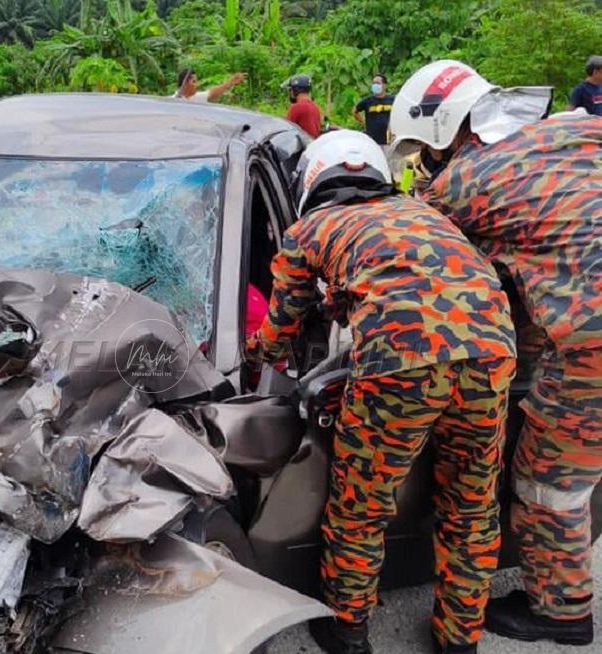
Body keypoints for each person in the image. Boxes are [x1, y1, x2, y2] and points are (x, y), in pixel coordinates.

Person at [246, 130, 517, 654]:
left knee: (362, 503)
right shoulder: (426, 213)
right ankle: (459, 639)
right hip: (491, 352)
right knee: (471, 504)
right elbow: (422, 279)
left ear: (313, 180)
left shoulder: (310, 229)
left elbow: (283, 326)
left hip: (400, 361)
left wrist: (255, 351)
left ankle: (348, 630)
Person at [390, 59, 602, 647]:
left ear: (447, 134)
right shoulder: (578, 128)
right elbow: (548, 246)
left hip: (592, 345)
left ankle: (562, 613)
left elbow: (421, 260)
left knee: (548, 480)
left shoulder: (459, 184)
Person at [352, 73, 395, 145]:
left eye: (378, 83)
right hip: (372, 140)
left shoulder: (392, 100)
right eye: (374, 83)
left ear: (384, 85)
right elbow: (354, 111)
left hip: (389, 140)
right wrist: (363, 121)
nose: (375, 85)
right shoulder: (367, 101)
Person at [173, 68, 246, 103]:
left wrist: (231, 82)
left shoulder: (195, 98)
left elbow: (212, 93)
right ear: (184, 83)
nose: (197, 85)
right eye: (194, 82)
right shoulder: (171, 102)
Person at [285, 74, 322, 139]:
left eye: (291, 90)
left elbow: (286, 130)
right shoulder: (315, 107)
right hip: (314, 145)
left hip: (304, 146)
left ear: (296, 90)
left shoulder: (297, 107)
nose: (290, 93)